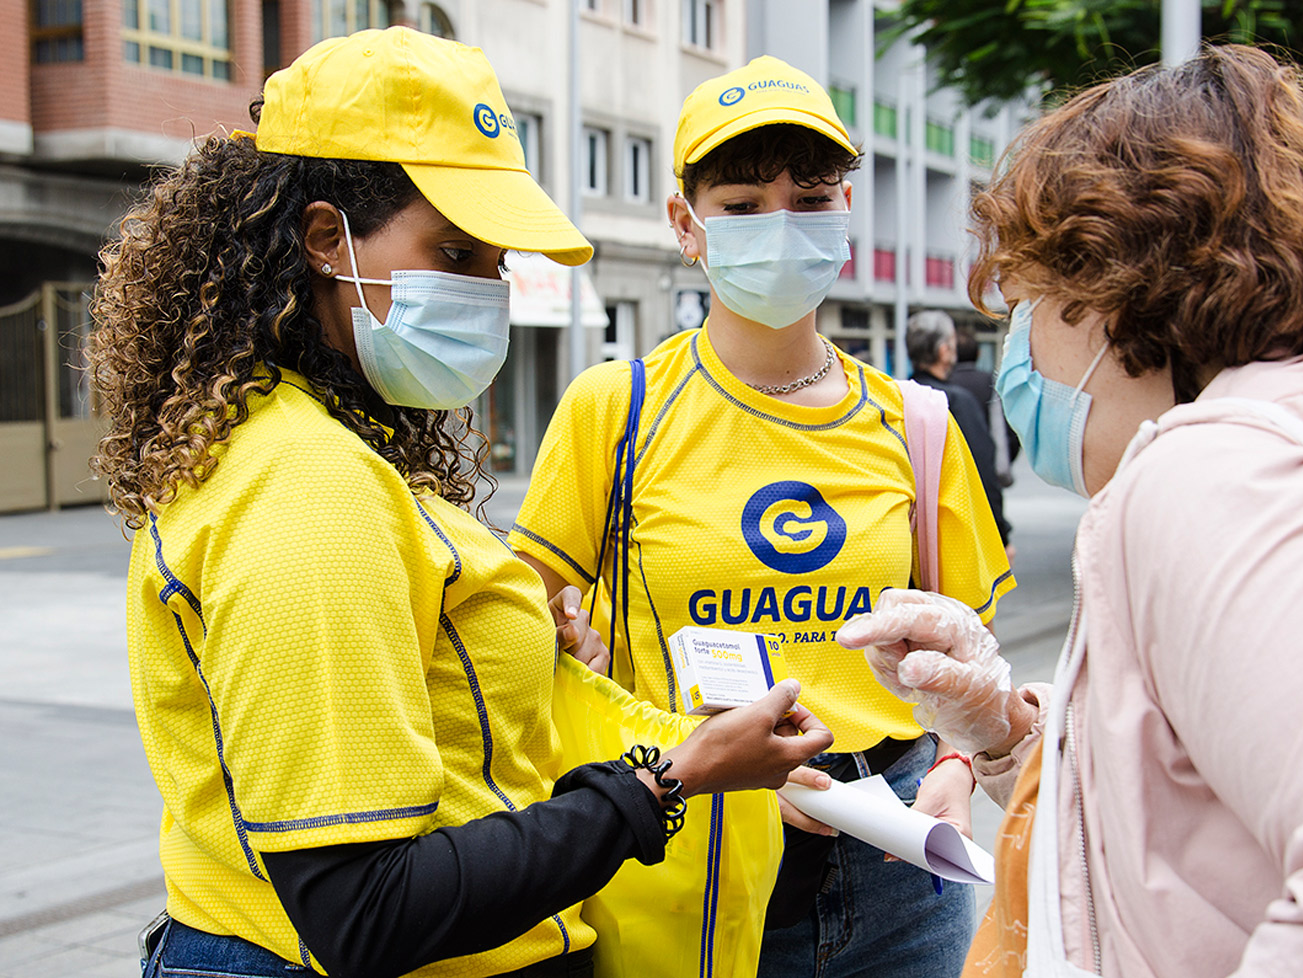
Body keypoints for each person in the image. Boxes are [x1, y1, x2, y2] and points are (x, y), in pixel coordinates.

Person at [90, 28, 832, 978]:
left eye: (493, 262)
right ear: (326, 240)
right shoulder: (309, 487)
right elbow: (366, 912)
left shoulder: (314, 438)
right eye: (456, 252)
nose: (491, 291)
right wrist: (668, 783)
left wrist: (517, 635)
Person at [836, 45, 1303, 978]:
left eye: (1028, 306)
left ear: (1113, 291)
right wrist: (1008, 731)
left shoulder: (1214, 476)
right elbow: (1206, 823)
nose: (1020, 354)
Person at [510, 56, 1013, 978]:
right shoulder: (612, 408)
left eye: (812, 197)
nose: (781, 224)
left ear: (846, 214)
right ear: (685, 225)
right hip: (689, 845)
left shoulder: (915, 422)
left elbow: (969, 647)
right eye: (742, 205)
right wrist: (571, 652)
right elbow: (513, 641)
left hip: (903, 862)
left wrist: (952, 767)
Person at [907, 310, 1011, 550]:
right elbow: (983, 472)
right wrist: (1000, 534)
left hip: (908, 537)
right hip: (954, 534)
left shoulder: (895, 396)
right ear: (944, 351)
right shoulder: (956, 402)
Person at [952, 325, 1019, 488]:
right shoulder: (990, 382)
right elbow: (1006, 429)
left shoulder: (943, 385)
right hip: (987, 471)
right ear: (978, 353)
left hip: (954, 473)